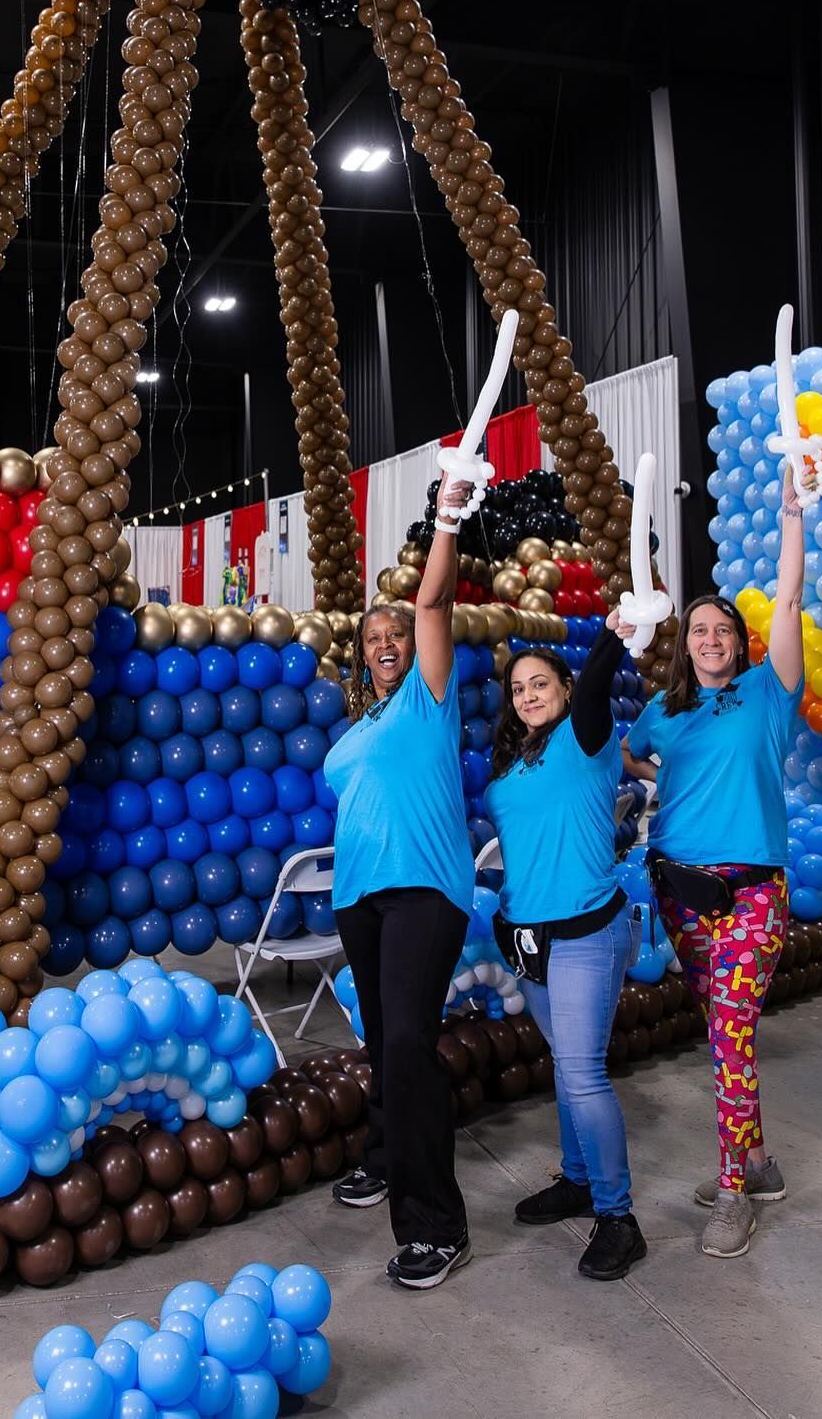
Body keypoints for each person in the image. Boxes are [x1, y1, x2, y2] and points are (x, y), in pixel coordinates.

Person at [622, 466, 806, 1259]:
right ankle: (756, 1162)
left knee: (731, 1032)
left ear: (740, 640)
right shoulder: (665, 712)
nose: (709, 638)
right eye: (698, 629)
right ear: (684, 643)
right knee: (723, 1034)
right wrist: (659, 780)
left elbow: (791, 599)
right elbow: (626, 758)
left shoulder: (771, 691)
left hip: (752, 895)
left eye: (721, 628)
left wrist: (793, 512)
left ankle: (732, 1192)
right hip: (680, 895)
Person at [324, 472, 476, 1291]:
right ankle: (385, 1156)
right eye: (371, 636)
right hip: (360, 898)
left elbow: (431, 607)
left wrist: (445, 518)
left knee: (412, 1041)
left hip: (426, 889)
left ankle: (435, 1224)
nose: (385, 640)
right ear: (359, 655)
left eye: (394, 632)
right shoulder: (359, 728)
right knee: (384, 1041)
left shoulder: (429, 697)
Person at [482, 608, 648, 1280]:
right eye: (518, 686)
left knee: (583, 1073)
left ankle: (618, 1216)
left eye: (539, 682)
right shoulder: (514, 762)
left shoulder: (587, 737)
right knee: (563, 1066)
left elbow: (601, 677)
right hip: (528, 939)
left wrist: (615, 631)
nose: (527, 693)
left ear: (565, 687)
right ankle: (578, 1178)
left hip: (585, 933)